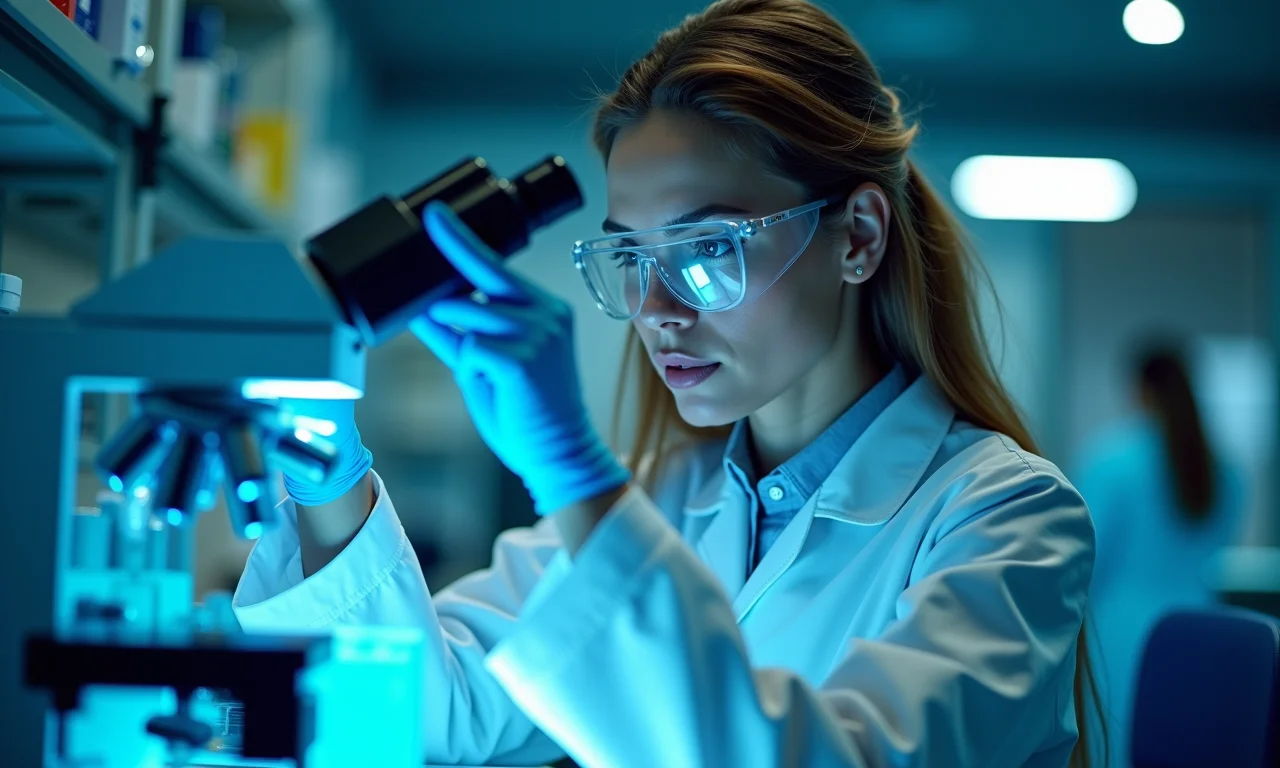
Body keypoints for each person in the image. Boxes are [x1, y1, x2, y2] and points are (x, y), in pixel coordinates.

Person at [233, 1, 1103, 765]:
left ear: (859, 236)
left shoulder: (1007, 518)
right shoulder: (670, 497)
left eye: (706, 250)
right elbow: (430, 716)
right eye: (630, 258)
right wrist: (329, 471)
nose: (654, 309)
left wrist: (574, 475)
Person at [1074, 345, 1244, 767]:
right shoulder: (1225, 469)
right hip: (1203, 638)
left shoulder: (1111, 459)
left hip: (1119, 641)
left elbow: (1083, 562)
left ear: (1139, 390)